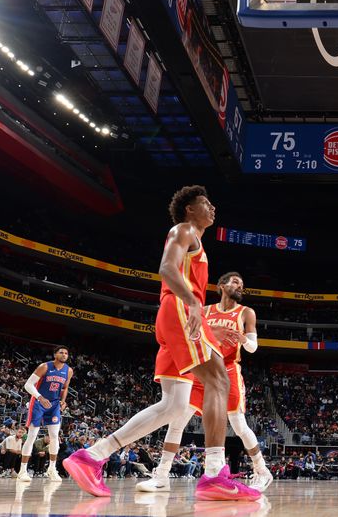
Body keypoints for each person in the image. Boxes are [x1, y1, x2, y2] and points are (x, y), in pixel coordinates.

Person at [63, 186, 258, 501]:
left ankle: (92, 456)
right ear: (189, 209)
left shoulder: (195, 240)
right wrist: (194, 306)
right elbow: (167, 269)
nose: (212, 208)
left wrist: (205, 323)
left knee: (175, 405)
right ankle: (213, 475)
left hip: (174, 316)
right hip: (179, 310)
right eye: (205, 203)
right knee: (219, 379)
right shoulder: (183, 230)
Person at [137, 271, 273, 493]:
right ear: (221, 285)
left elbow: (252, 347)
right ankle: (161, 474)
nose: (240, 287)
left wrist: (243, 339)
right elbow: (190, 334)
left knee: (238, 424)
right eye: (236, 282)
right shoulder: (206, 310)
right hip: (203, 368)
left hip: (228, 370)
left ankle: (262, 471)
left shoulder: (247, 312)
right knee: (177, 420)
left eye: (242, 284)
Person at [18, 345, 73, 482]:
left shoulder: (69, 371)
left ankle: (52, 469)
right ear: (55, 354)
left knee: (55, 437)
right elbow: (28, 385)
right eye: (61, 352)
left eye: (66, 353)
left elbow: (65, 388)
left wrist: (63, 400)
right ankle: (22, 471)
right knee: (31, 436)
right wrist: (40, 397)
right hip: (38, 403)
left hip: (54, 405)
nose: (64, 355)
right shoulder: (45, 367)